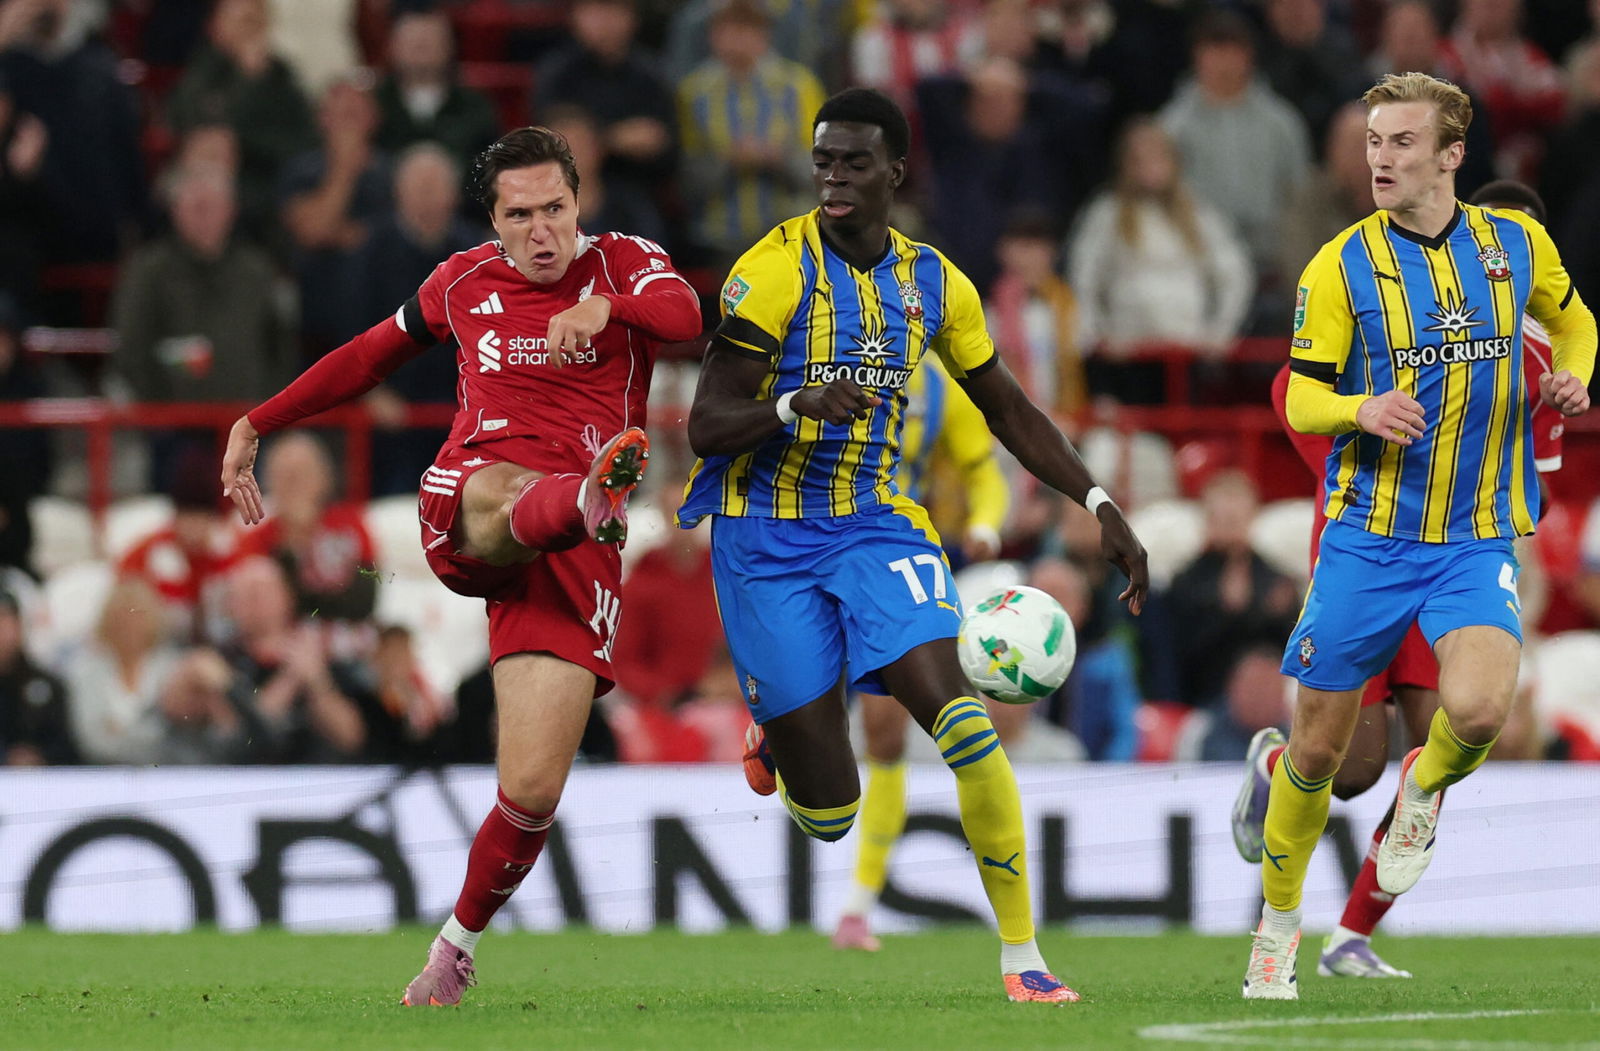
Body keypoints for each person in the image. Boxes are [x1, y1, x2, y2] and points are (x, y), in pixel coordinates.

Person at [677, 87, 1148, 1003]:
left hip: (878, 525)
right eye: (823, 162)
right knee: (830, 814)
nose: (835, 178)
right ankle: (783, 727)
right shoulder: (771, 272)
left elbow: (1007, 408)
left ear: (896, 172)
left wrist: (1097, 500)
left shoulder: (935, 283)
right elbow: (703, 424)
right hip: (765, 540)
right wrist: (790, 405)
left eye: (854, 162)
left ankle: (1024, 958)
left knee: (965, 726)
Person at [220, 125, 702, 1004]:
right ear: (495, 220)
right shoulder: (462, 281)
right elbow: (368, 356)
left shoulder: (629, 263)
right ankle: (576, 499)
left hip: (572, 552)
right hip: (473, 499)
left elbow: (687, 316)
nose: (542, 231)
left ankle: (452, 950)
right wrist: (262, 419)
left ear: (577, 203)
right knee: (505, 487)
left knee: (529, 789)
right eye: (521, 216)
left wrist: (610, 310)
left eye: (556, 209)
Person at [1241, 72, 1595, 1000]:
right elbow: (1301, 390)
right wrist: (1361, 404)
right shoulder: (1337, 266)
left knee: (1477, 714)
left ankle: (1424, 795)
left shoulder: (1514, 245)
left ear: (1450, 155)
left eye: (1401, 142)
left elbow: (1577, 321)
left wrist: (1575, 380)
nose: (1381, 159)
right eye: (1373, 143)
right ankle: (1278, 931)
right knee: (1324, 760)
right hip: (1366, 542)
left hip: (1472, 542)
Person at [830, 352, 1009, 953]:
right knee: (808, 710)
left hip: (887, 554)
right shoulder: (824, 347)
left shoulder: (937, 384)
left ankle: (858, 903)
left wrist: (984, 523)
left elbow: (982, 469)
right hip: (807, 540)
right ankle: (775, 735)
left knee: (885, 731)